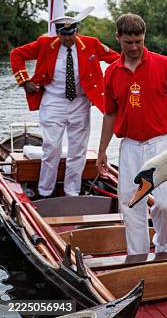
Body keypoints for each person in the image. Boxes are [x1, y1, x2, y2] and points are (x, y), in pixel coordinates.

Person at [96, 13, 167, 255]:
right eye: (128, 42)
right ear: (118, 38)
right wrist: (101, 151)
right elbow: (110, 115)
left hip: (162, 145)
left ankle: (162, 247)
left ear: (144, 37)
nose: (134, 47)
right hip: (130, 146)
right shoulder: (111, 72)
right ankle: (138, 257)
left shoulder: (164, 64)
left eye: (139, 41)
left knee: (162, 204)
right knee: (131, 205)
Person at [10, 10, 119, 197]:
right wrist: (25, 81)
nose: (68, 38)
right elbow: (16, 54)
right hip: (53, 101)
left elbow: (116, 59)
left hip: (80, 102)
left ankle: (72, 192)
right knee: (51, 147)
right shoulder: (45, 44)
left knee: (78, 150)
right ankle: (44, 192)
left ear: (76, 31)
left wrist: (119, 80)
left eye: (71, 34)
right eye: (63, 34)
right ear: (57, 33)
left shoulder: (91, 43)